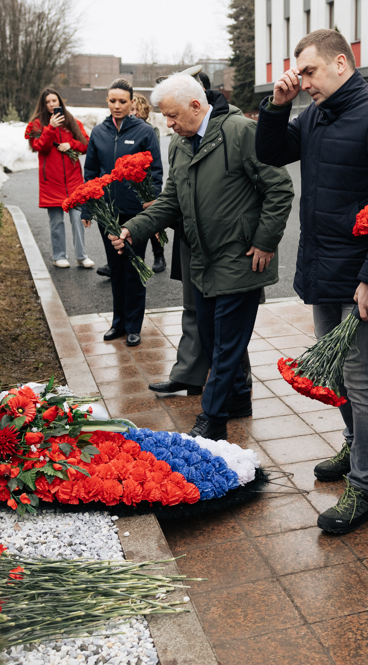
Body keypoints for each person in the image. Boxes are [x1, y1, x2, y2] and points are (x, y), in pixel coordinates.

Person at [256, 29, 368, 534]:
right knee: (338, 373)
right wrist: (277, 105)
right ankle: (353, 445)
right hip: (324, 267)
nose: (303, 82)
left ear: (341, 64)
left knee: (362, 377)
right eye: (299, 74)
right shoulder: (315, 115)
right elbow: (271, 152)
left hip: (362, 275)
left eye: (309, 72)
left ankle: (366, 490)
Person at [112, 74, 293, 440]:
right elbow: (171, 200)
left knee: (226, 347)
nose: (169, 123)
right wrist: (137, 227)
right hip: (203, 260)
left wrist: (265, 241)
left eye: (174, 115)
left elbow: (280, 188)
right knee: (211, 340)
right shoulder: (180, 144)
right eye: (166, 116)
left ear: (197, 106)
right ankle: (239, 398)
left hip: (241, 257)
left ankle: (212, 419)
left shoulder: (241, 132)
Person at [83, 78, 163, 347]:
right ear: (107, 101)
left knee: (134, 269)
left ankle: (134, 325)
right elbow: (91, 173)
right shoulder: (99, 132)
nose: (116, 105)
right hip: (108, 213)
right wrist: (87, 207)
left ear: (131, 103)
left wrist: (152, 208)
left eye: (122, 101)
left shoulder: (144, 132)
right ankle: (117, 322)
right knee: (116, 270)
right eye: (112, 100)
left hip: (135, 215)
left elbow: (155, 173)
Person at [25, 89, 93, 269]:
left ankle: (81, 255)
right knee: (56, 222)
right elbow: (40, 147)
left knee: (78, 218)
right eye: (48, 102)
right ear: (43, 104)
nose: (52, 104)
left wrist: (71, 144)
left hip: (73, 181)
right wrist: (51, 128)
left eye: (54, 100)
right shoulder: (37, 125)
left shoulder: (72, 122)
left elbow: (86, 145)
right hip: (51, 182)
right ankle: (59, 256)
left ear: (60, 102)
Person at [131, 93, 168, 274]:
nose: (134, 113)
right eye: (132, 109)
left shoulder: (150, 130)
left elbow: (153, 159)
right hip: (129, 181)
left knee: (151, 219)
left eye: (136, 109)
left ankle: (159, 254)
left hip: (145, 181)